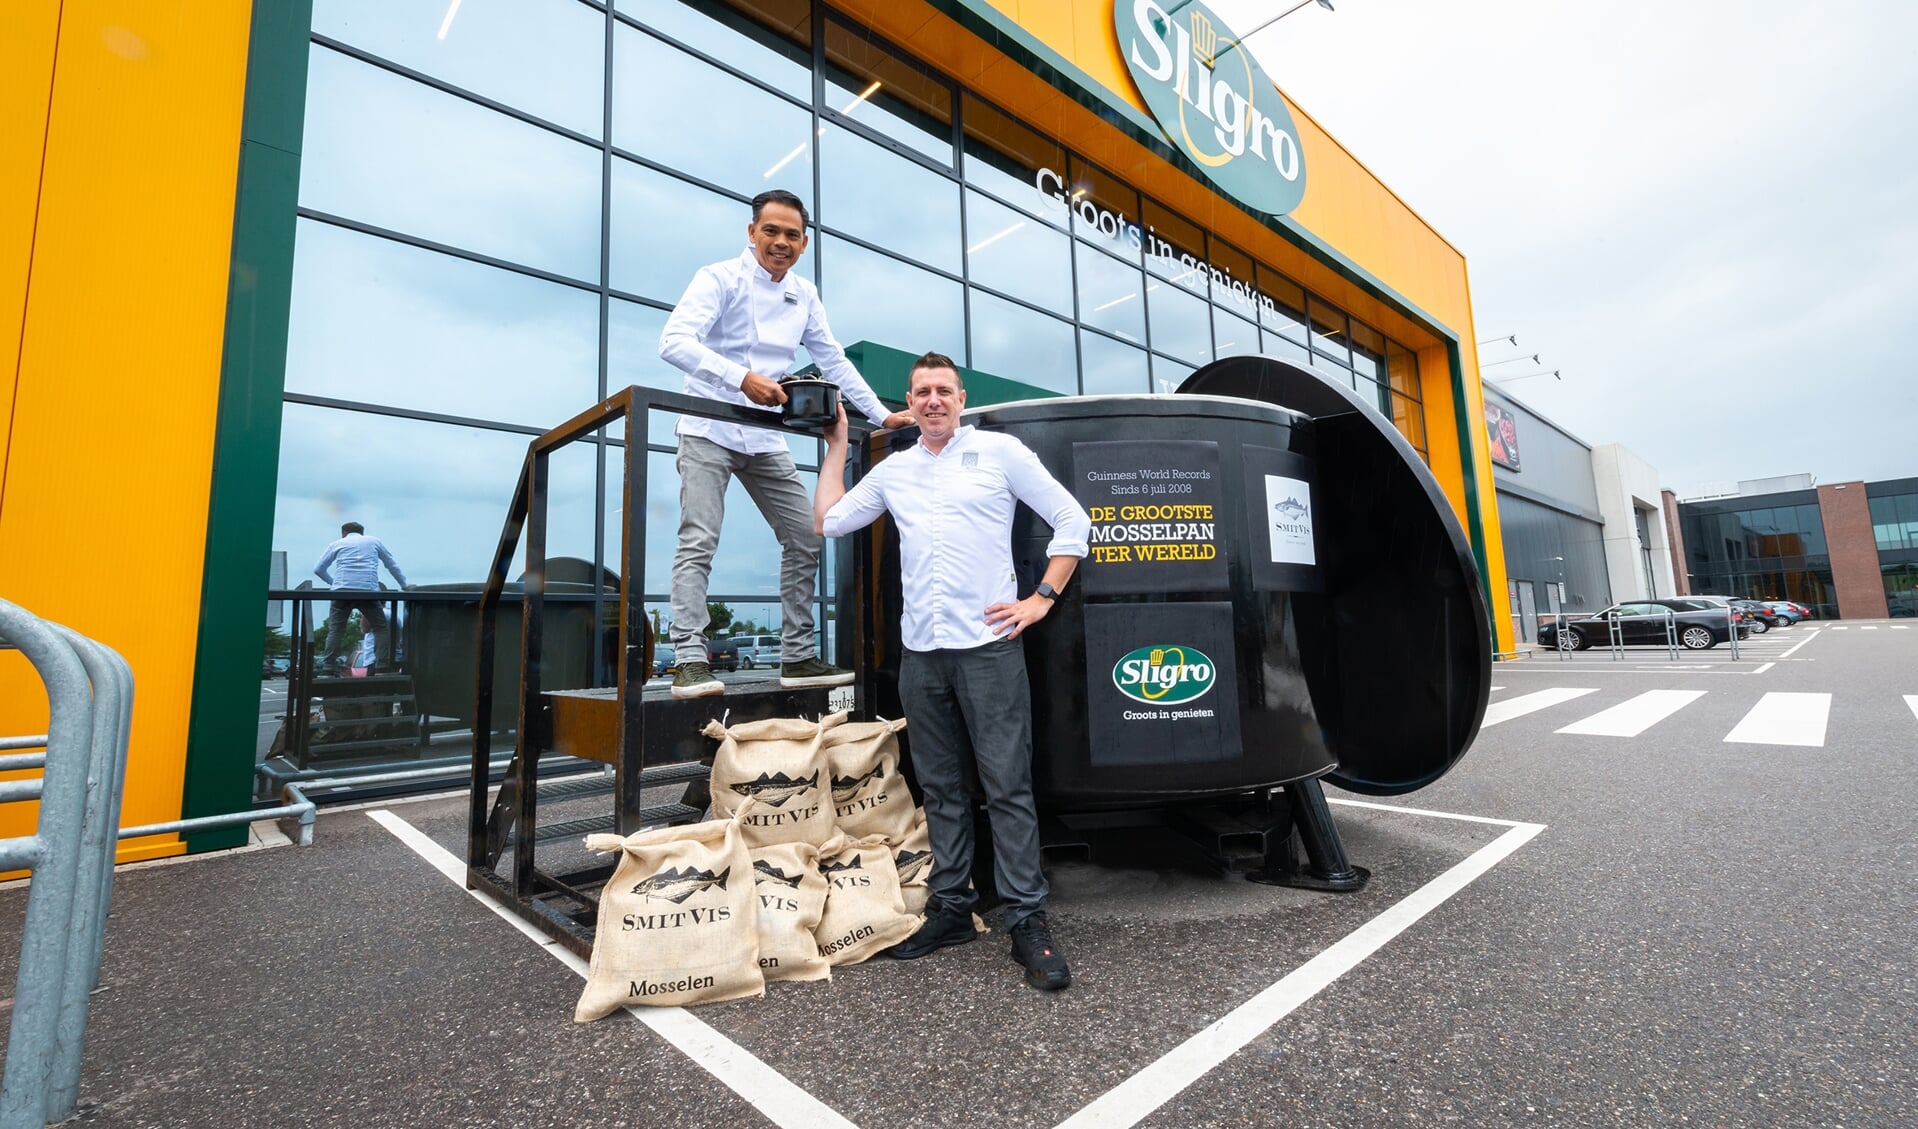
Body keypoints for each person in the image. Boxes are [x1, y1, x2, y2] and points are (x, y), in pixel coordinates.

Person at [812, 352, 1091, 991]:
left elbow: (1074, 521)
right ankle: (952, 909)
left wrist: (1039, 599)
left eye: (943, 390)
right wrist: (835, 448)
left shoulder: (1001, 452)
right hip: (922, 655)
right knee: (939, 788)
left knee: (1006, 787)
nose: (932, 400)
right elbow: (828, 522)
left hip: (988, 649)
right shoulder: (896, 471)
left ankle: (1027, 919)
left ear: (961, 399)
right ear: (908, 405)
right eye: (921, 393)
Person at [659, 188, 913, 699]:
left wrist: (883, 415)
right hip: (708, 427)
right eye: (770, 231)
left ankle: (797, 656)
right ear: (751, 233)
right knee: (699, 540)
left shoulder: (805, 293)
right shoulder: (717, 278)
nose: (780, 241)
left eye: (791, 235)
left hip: (763, 435)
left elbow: (835, 360)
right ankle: (688, 658)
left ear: (804, 243)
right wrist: (741, 378)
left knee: (806, 534)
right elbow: (673, 342)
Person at [312, 521, 409, 675]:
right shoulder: (374, 541)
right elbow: (391, 565)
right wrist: (405, 585)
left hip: (341, 591)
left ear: (343, 533)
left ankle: (328, 667)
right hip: (368, 591)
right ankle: (382, 665)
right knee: (380, 628)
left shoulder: (337, 544)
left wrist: (334, 583)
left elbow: (318, 569)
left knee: (336, 630)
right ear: (362, 532)